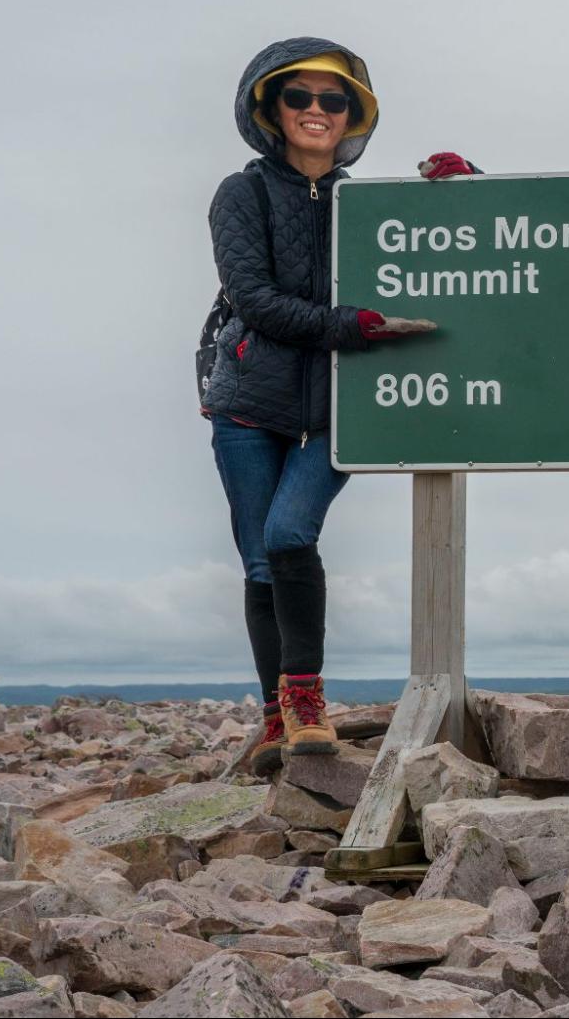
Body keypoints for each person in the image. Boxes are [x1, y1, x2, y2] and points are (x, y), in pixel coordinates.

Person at [203, 38, 473, 775]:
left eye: (334, 99)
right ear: (270, 108)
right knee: (261, 563)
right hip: (248, 406)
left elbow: (439, 258)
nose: (316, 111)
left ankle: (304, 700)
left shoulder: (367, 203)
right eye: (299, 97)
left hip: (338, 411)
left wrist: (462, 195)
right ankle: (275, 719)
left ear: (353, 113)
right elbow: (255, 301)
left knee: (290, 536)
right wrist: (347, 328)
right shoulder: (242, 192)